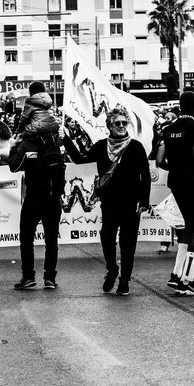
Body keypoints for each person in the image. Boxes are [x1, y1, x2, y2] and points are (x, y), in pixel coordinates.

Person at [63, 108, 151, 296]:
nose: (121, 126)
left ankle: (125, 280)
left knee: (128, 243)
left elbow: (146, 174)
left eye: (123, 123)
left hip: (131, 202)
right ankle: (112, 269)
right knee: (107, 237)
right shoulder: (101, 146)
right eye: (117, 123)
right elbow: (80, 159)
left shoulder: (136, 146)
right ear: (109, 125)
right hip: (109, 202)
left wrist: (144, 200)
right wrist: (65, 138)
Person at [156, 91, 194, 296]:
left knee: (186, 228)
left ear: (180, 106)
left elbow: (159, 161)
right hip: (192, 182)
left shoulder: (169, 128)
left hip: (175, 181)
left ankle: (177, 275)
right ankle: (188, 280)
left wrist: (175, 167)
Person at [8, 120, 65, 290]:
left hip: (33, 197)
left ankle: (28, 277)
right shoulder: (57, 142)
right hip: (54, 197)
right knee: (52, 240)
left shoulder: (27, 144)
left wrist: (13, 146)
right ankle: (50, 278)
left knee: (26, 238)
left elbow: (14, 166)